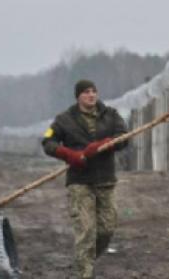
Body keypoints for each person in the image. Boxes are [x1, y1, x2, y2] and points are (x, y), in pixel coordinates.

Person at [42, 79, 129, 279]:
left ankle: (86, 259)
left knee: (107, 229)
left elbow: (124, 136)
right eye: (86, 92)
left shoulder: (111, 115)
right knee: (86, 231)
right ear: (78, 96)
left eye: (94, 91)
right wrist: (68, 154)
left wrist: (108, 143)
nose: (91, 95)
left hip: (105, 180)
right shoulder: (64, 119)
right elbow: (48, 141)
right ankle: (85, 273)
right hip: (79, 182)